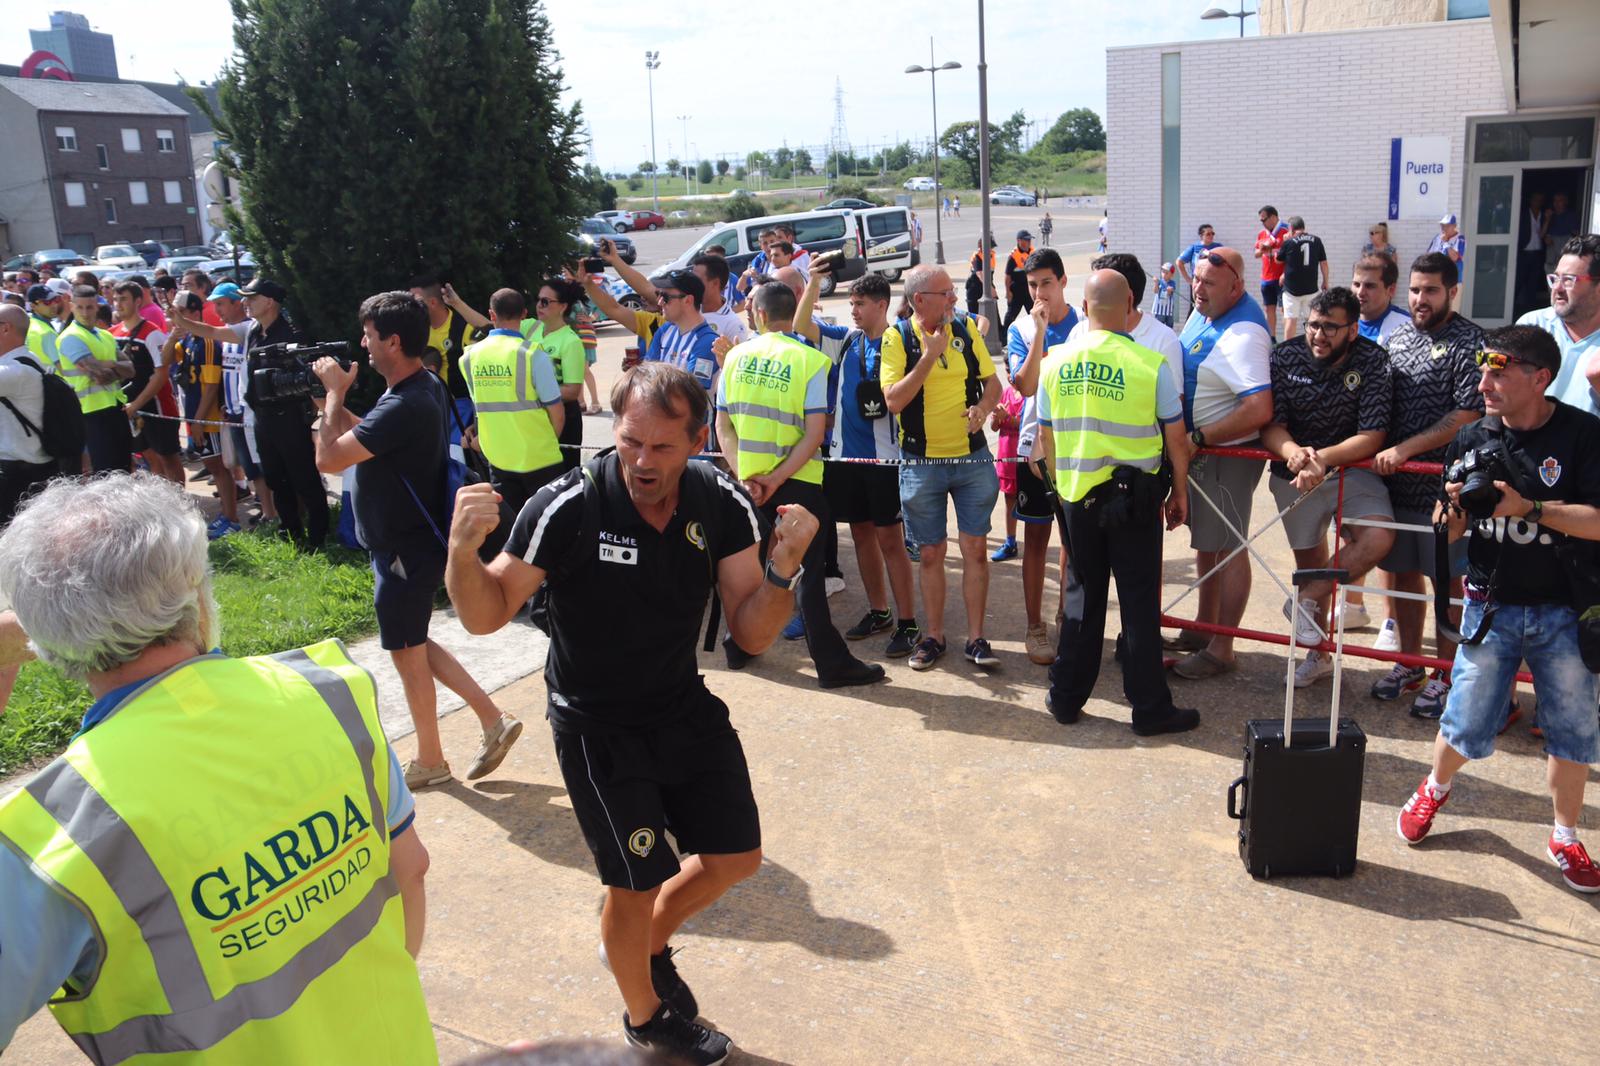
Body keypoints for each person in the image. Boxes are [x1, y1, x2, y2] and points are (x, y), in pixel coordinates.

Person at [446, 363, 817, 1065]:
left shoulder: (718, 501)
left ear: (698, 440)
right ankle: (648, 1017)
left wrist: (782, 571)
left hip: (680, 707)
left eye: (662, 447)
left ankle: (642, 941)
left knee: (737, 858)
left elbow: (752, 633)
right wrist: (462, 552)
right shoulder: (568, 505)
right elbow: (487, 611)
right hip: (597, 726)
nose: (643, 462)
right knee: (633, 882)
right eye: (629, 443)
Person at [0, 473, 436, 1061]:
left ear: (46, 641)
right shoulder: (330, 691)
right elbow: (409, 869)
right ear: (197, 590)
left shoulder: (55, 829)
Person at [1396, 324, 1600, 895]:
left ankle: (1564, 834)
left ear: (1540, 378)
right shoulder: (1472, 438)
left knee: (1573, 729)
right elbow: (1448, 521)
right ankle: (1434, 787)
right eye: (1483, 372)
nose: (1483, 384)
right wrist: (1454, 515)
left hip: (1568, 605)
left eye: (1498, 373)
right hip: (1491, 601)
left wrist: (1529, 507)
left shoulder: (1585, 436)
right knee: (1465, 712)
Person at [312, 291, 523, 789]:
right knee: (411, 643)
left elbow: (328, 461)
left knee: (406, 654)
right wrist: (331, 407)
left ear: (392, 340)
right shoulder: (421, 384)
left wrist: (335, 394)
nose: (362, 345)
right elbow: (369, 438)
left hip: (404, 548)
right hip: (410, 541)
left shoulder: (404, 400)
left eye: (368, 336)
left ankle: (431, 759)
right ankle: (492, 719)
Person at [1037, 269, 1198, 735]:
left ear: (1084, 308)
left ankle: (1066, 699)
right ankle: (1149, 708)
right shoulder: (1150, 365)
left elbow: (1045, 437)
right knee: (1138, 604)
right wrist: (1180, 493)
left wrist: (1060, 489)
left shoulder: (1054, 362)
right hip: (1134, 501)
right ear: (1130, 303)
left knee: (1082, 599)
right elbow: (1176, 438)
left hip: (1074, 497)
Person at [717, 281, 885, 689]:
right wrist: (777, 479)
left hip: (748, 485)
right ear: (789, 313)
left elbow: (723, 424)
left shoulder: (735, 357)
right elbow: (814, 434)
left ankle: (739, 644)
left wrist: (746, 476)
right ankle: (831, 664)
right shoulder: (810, 361)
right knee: (808, 580)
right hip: (799, 486)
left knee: (749, 572)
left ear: (756, 313)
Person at [1249, 288, 1396, 685]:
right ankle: (1318, 655)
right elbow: (1270, 424)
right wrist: (1294, 453)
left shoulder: (1373, 359)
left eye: (1331, 327)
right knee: (1313, 565)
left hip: (1352, 470)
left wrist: (1323, 459)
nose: (1318, 334)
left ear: (1352, 330)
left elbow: (1373, 433)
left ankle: (1304, 599)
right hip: (1294, 476)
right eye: (1314, 324)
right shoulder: (1285, 355)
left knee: (1379, 538)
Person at [1370, 253, 1484, 717]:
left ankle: (1446, 672)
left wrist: (1408, 450)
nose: (1420, 299)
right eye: (1415, 290)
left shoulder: (1471, 341)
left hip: (1445, 488)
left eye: (1431, 290)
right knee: (1401, 579)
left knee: (1448, 583)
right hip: (1396, 486)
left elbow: (1467, 414)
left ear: (1452, 291)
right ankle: (1409, 663)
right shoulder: (1396, 338)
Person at [880, 265, 1002, 670]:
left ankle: (977, 638)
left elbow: (993, 382)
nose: (954, 299)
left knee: (976, 549)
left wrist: (983, 408)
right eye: (945, 293)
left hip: (972, 460)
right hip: (921, 463)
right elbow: (893, 400)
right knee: (931, 554)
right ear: (919, 301)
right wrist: (930, 356)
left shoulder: (965, 328)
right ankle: (933, 637)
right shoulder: (897, 337)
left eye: (953, 291)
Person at [792, 270, 919, 657]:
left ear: (882, 305)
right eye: (851, 304)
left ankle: (908, 621)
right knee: (862, 534)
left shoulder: (901, 342)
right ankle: (879, 611)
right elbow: (800, 324)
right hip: (845, 458)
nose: (854, 312)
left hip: (885, 460)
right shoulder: (845, 341)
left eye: (860, 304)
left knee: (890, 541)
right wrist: (812, 280)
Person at [172, 277, 329, 549]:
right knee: (275, 478)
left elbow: (308, 378)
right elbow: (212, 332)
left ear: (269, 302)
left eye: (251, 298)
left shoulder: (292, 334)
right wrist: (182, 322)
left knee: (303, 478)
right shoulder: (251, 330)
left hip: (290, 418)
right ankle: (290, 531)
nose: (245, 302)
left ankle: (319, 537)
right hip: (261, 418)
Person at [1174, 248, 1274, 670]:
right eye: (1195, 279)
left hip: (1227, 454)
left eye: (1209, 283)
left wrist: (1198, 437)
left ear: (1237, 286)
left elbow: (1259, 408)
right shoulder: (1207, 308)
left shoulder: (1244, 333)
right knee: (1208, 543)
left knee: (1230, 548)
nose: (1198, 289)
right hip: (1204, 454)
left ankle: (1223, 649)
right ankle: (1204, 624)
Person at [1008, 251, 1086, 665]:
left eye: (1046, 283)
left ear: (1063, 281)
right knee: (1035, 539)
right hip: (1034, 451)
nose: (1039, 293)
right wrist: (1039, 333)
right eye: (1032, 284)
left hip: (1080, 449)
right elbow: (1025, 385)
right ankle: (1034, 626)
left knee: (1073, 540)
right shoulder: (1021, 328)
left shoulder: (1086, 325)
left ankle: (1066, 617)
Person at [462, 287, 567, 517]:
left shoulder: (469, 357)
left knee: (513, 532)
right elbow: (557, 413)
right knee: (549, 529)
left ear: (491, 315)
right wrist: (547, 443)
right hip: (540, 458)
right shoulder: (532, 353)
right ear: (524, 314)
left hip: (498, 459)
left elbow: (481, 408)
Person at [167, 290, 241, 537]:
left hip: (208, 419)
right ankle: (225, 515)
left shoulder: (207, 341)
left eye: (181, 312)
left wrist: (198, 421)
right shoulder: (187, 340)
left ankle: (231, 518)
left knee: (219, 468)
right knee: (212, 465)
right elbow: (166, 359)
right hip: (194, 417)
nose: (175, 316)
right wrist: (172, 336)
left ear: (194, 313)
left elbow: (211, 386)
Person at [209, 281, 276, 528]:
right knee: (250, 467)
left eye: (221, 304)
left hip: (250, 411)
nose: (217, 310)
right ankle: (267, 512)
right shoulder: (229, 335)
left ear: (237, 303)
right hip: (233, 411)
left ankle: (274, 512)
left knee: (262, 464)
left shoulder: (249, 329)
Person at [110, 280, 185, 485]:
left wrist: (136, 404)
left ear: (138, 301)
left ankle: (181, 505)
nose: (118, 303)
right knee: (146, 456)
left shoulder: (152, 333)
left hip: (157, 407)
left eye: (123, 299)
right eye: (115, 299)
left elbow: (161, 374)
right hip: (129, 407)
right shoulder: (112, 333)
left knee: (168, 458)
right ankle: (159, 502)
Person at [1519, 234, 1600, 418]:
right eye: (1555, 278)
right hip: (1533, 442)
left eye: (1569, 280)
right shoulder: (1532, 326)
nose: (1557, 288)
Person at [57, 284, 134, 474]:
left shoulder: (105, 335)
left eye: (89, 307)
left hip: (115, 408)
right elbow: (101, 376)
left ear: (97, 307)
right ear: (72, 306)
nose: (85, 312)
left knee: (123, 469)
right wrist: (114, 366)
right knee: (105, 473)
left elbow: (131, 370)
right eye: (80, 307)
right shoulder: (71, 337)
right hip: (90, 413)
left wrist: (109, 364)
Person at [522, 278, 589, 473]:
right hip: (537, 415)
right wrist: (456, 303)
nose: (539, 305)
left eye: (545, 301)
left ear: (562, 307)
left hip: (564, 417)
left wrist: (534, 391)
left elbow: (572, 390)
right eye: (538, 299)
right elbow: (494, 323)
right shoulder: (530, 327)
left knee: (561, 481)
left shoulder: (570, 341)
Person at [0, 305, 57, 522]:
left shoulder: (14, 371)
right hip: (35, 467)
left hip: (18, 475)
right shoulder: (29, 359)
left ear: (5, 329)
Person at [409, 274, 487, 430]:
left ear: (432, 302)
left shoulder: (463, 327)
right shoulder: (415, 330)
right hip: (426, 406)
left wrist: (457, 303)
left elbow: (491, 332)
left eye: (415, 302)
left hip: (460, 408)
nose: (410, 307)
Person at [1274, 216, 1328, 341]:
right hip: (1311, 289)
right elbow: (1324, 263)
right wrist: (1325, 281)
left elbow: (1278, 260)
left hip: (1292, 290)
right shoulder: (1317, 240)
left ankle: (1287, 350)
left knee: (1290, 321)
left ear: (1291, 229)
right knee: (1312, 321)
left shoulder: (1289, 242)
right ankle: (1312, 346)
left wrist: (1285, 241)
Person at [991, 381, 1024, 562]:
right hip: (1006, 455)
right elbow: (994, 427)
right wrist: (997, 416)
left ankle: (1034, 543)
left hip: (1025, 457)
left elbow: (1028, 425)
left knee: (1030, 502)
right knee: (1009, 498)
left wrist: (1008, 417)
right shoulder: (1005, 393)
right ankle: (1010, 542)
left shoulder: (1030, 392)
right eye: (1008, 369)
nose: (1011, 374)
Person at [1351, 253, 1412, 347]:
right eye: (1356, 284)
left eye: (1369, 286)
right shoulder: (1340, 323)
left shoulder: (1407, 328)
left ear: (1391, 290)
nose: (1360, 292)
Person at [1253, 205, 1290, 339]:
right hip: (1266, 277)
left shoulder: (1286, 231)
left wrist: (1285, 273)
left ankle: (1287, 339)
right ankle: (1271, 338)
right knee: (1269, 309)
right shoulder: (1262, 234)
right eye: (1261, 221)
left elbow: (1292, 254)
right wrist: (1264, 248)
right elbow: (1256, 253)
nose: (1263, 223)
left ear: (1274, 217)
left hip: (1281, 278)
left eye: (1264, 219)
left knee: (1285, 309)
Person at [1175, 224, 1221, 321]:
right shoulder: (1194, 247)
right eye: (1208, 234)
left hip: (1213, 282)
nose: (1211, 236)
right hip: (1198, 282)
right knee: (1195, 307)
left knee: (1213, 305)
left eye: (1212, 233)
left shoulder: (1218, 247)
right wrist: (1188, 279)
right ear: (1201, 236)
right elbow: (1179, 262)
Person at [1427, 214, 1467, 304]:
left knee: (1453, 309)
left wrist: (1446, 243)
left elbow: (1455, 257)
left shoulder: (1460, 239)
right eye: (1442, 225)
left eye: (1447, 226)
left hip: (1454, 281)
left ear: (1454, 226)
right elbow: (1429, 255)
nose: (1444, 228)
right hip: (1438, 279)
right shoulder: (1437, 237)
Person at [1002, 230, 1035, 330]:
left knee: (1035, 313)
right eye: (1026, 240)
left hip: (1029, 290)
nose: (1029, 242)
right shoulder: (1013, 256)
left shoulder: (1033, 252)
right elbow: (1007, 276)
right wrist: (1008, 292)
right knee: (1011, 316)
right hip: (1016, 291)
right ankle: (1005, 337)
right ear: (1019, 241)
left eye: (1029, 240)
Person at [1543, 193, 1579, 272]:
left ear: (1565, 202)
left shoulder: (1571, 216)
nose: (1557, 203)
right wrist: (1547, 219)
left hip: (1565, 250)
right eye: (1555, 200)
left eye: (1560, 200)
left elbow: (1576, 234)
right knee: (1551, 276)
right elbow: (1542, 234)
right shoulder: (1550, 215)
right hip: (1551, 254)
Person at [1151, 262, 1177, 329]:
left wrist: (1169, 290)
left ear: (1171, 275)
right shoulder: (1159, 281)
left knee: (1169, 327)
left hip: (1168, 310)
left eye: (1166, 273)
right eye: (1163, 272)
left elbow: (1170, 293)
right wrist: (1156, 283)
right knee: (1159, 327)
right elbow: (1155, 291)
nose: (1164, 274)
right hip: (1159, 309)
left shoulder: (1172, 283)